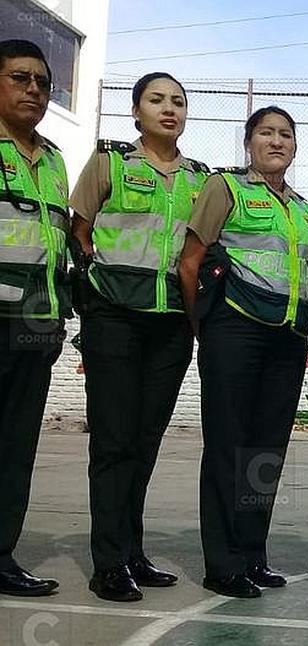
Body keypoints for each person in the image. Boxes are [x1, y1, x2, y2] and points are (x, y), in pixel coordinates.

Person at [70, 72, 207, 602]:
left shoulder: (200, 179)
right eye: (156, 100)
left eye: (178, 101)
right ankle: (108, 563)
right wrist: (96, 292)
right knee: (114, 441)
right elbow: (79, 228)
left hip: (172, 322)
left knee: (145, 441)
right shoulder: (110, 162)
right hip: (115, 319)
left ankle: (131, 551)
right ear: (136, 111)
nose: (168, 109)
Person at [178, 106, 308, 598]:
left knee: (264, 452)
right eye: (266, 133)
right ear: (248, 142)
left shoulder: (304, 208)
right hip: (234, 331)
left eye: (285, 134)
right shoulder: (226, 188)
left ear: (295, 146)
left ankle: (253, 554)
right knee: (227, 446)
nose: (276, 141)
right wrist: (206, 326)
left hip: (287, 339)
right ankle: (222, 563)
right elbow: (190, 260)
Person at [0, 39, 67, 598]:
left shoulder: (53, 161)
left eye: (43, 83)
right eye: (21, 79)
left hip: (34, 325)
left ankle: (1, 555)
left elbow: (59, 245)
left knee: (15, 448)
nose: (35, 91)